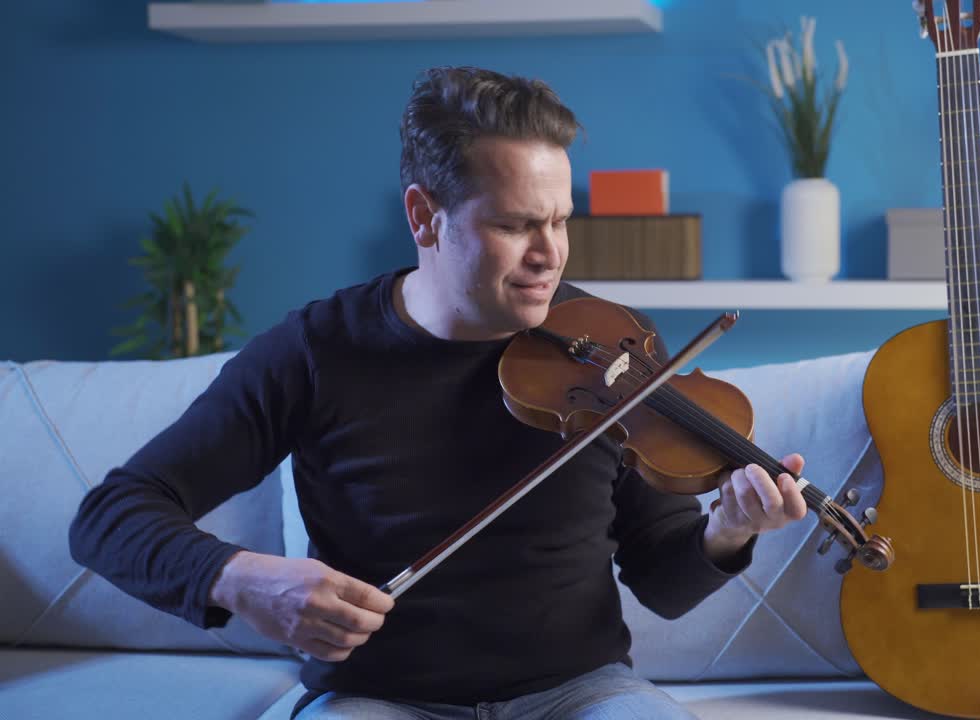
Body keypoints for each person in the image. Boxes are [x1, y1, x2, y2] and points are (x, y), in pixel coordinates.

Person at [69, 66, 810, 720]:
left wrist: (728, 531)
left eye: (559, 221)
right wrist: (244, 580)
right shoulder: (317, 350)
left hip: (581, 692)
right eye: (516, 225)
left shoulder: (613, 346)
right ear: (424, 215)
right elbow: (110, 517)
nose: (550, 254)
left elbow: (664, 582)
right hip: (375, 698)